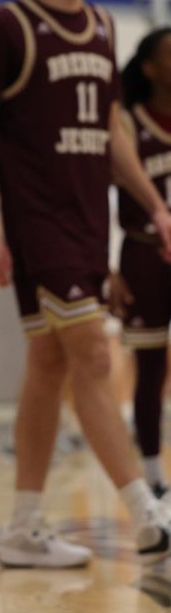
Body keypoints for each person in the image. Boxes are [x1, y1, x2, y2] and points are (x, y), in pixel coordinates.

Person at [0, 0, 171, 570]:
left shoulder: (105, 26)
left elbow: (112, 130)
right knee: (93, 354)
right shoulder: (7, 27)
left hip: (90, 218)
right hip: (36, 218)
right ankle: (148, 512)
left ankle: (23, 527)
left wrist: (153, 204)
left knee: (50, 366)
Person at [116, 27, 171, 496]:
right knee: (150, 367)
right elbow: (95, 193)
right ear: (150, 68)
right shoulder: (129, 122)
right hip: (144, 251)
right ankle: (154, 472)